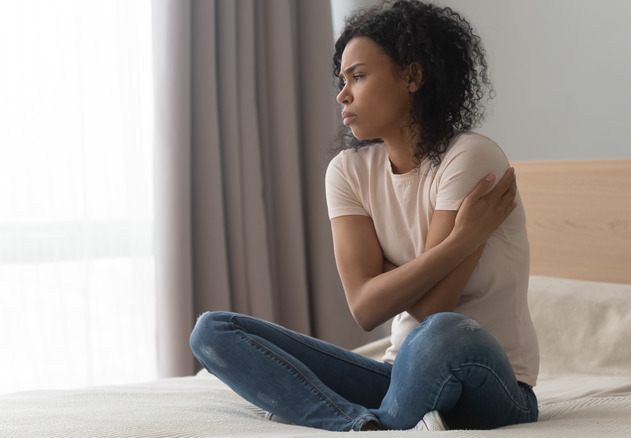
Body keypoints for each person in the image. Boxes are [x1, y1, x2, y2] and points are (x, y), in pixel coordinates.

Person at [190, 0, 539, 431]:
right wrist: (461, 241)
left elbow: (432, 309)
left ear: (412, 76)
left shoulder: (470, 157)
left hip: (491, 383)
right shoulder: (347, 172)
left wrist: (382, 278)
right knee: (213, 331)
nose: (342, 94)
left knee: (443, 332)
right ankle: (357, 425)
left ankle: (371, 420)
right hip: (398, 376)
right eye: (342, 80)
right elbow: (364, 307)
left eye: (358, 76)